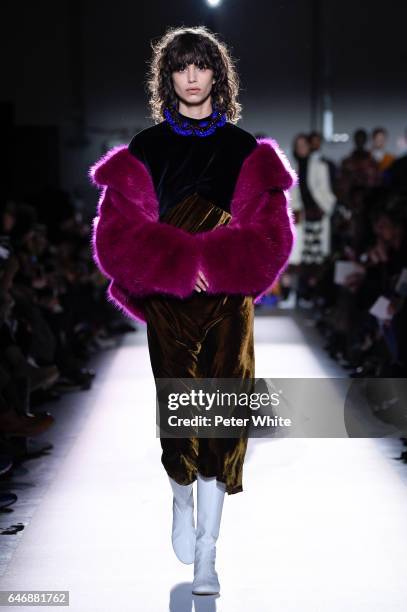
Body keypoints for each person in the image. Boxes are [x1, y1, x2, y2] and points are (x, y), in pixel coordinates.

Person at [89, 25, 297, 596]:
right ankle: (180, 498)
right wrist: (181, 264)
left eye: (200, 65)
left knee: (221, 419)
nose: (191, 75)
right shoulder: (146, 148)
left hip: (229, 299)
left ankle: (209, 552)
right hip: (172, 301)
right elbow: (116, 233)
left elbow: (272, 232)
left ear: (216, 74)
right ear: (168, 76)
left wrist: (220, 264)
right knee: (181, 418)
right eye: (180, 66)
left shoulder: (243, 148)